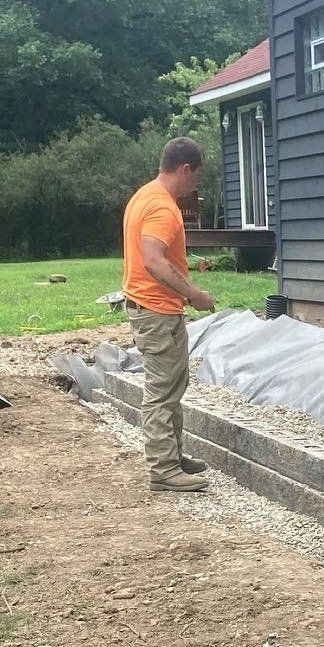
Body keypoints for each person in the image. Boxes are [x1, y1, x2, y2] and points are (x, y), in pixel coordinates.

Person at [122, 136, 218, 494]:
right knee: (161, 392)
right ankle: (163, 469)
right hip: (157, 310)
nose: (195, 187)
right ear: (185, 168)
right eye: (196, 179)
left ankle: (173, 456)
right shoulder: (162, 207)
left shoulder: (144, 195)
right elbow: (153, 259)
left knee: (173, 385)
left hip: (151, 307)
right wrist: (194, 294)